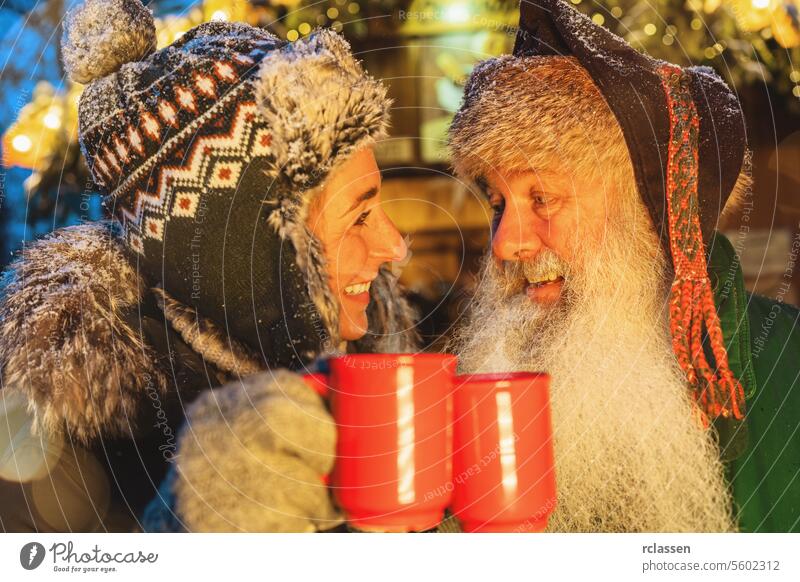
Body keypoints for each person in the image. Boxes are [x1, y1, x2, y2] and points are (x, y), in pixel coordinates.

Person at [0, 0, 415, 532]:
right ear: (246, 245)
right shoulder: (80, 451)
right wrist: (195, 526)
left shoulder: (381, 367)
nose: (394, 248)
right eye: (358, 216)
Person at [448, 0, 800, 532]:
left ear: (646, 214)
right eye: (498, 204)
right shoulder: (458, 401)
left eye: (542, 198)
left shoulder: (788, 368)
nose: (504, 244)